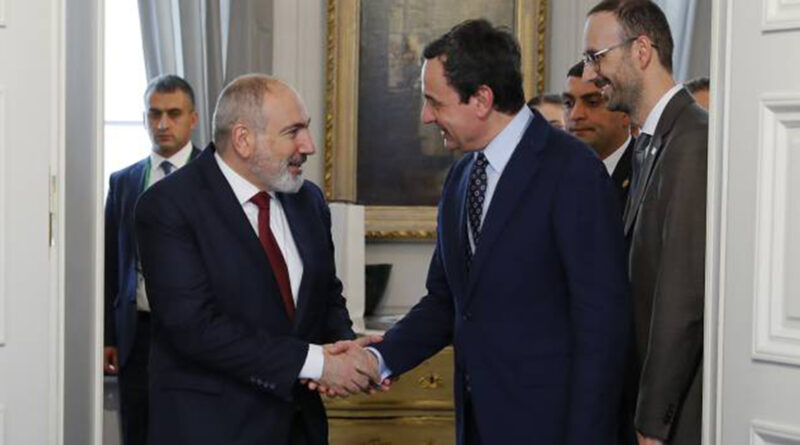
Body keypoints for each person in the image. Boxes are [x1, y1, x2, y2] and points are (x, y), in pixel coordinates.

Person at [367, 19, 632, 445]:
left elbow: (602, 327)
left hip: (553, 431)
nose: (426, 116)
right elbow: (446, 303)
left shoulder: (572, 171)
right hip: (477, 427)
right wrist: (377, 358)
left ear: (481, 99)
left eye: (434, 102)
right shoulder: (459, 180)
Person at [134, 74, 380, 445]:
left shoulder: (308, 201)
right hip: (211, 430)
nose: (309, 146)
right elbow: (195, 328)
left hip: (299, 429)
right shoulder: (168, 206)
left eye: (306, 129)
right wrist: (318, 364)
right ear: (243, 139)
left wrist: (348, 351)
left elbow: (325, 295)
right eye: (293, 131)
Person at [582, 1, 708, 444]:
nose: (590, 73)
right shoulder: (651, 143)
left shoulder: (693, 140)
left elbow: (682, 300)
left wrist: (652, 422)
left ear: (641, 51)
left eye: (596, 57)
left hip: (672, 421)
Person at [104, 74, 201, 445]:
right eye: (154, 114)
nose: (162, 124)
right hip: (138, 333)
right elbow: (112, 263)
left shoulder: (216, 177)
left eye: (173, 114)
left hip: (199, 330)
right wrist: (109, 336)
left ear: (193, 119)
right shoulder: (123, 182)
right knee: (138, 431)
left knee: (192, 431)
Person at [563, 61, 634, 204]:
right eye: (568, 104)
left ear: (625, 113)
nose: (575, 115)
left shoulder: (649, 173)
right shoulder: (551, 173)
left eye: (592, 102)